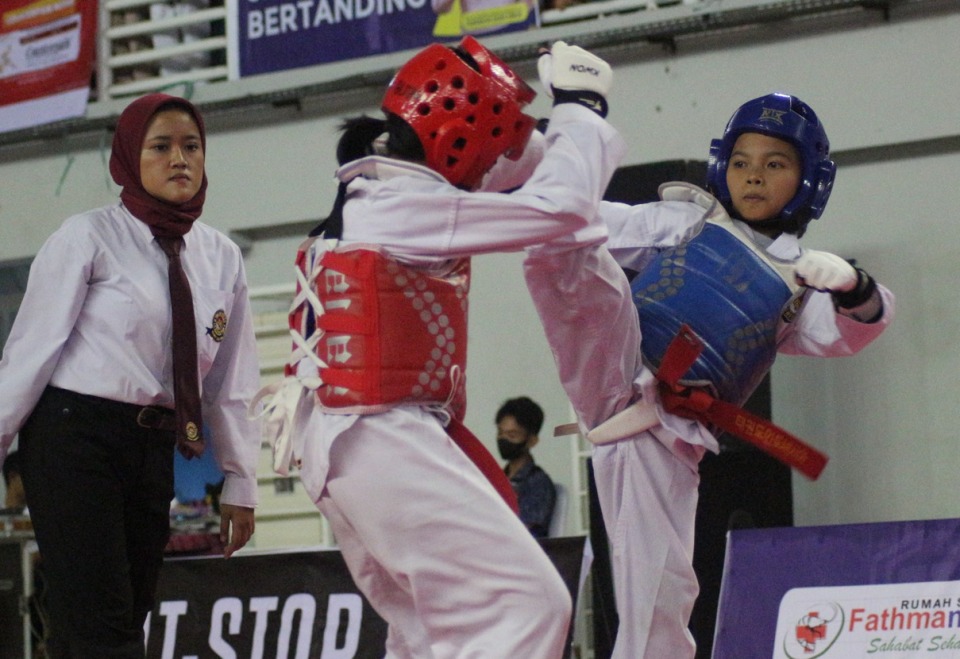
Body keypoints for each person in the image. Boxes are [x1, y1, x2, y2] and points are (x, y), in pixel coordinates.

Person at [255, 36, 624, 657]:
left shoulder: (376, 189)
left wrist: (551, 125)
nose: (487, 171)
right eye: (486, 147)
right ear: (457, 133)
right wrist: (581, 105)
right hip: (380, 438)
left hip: (349, 446)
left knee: (430, 633)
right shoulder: (409, 203)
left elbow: (522, 169)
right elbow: (559, 205)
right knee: (529, 601)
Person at [522, 92, 894, 658]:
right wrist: (550, 152)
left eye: (775, 164)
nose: (753, 177)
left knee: (660, 594)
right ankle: (573, 118)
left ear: (810, 181)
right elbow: (591, 221)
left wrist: (852, 286)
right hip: (618, 362)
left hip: (667, 429)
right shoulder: (686, 220)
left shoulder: (801, 281)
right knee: (567, 245)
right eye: (742, 162)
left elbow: (859, 326)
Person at [0, 92, 262, 658]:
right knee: (106, 626)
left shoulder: (222, 256)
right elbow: (30, 352)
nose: (180, 160)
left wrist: (241, 480)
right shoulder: (88, 236)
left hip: (153, 444)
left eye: (191, 147)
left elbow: (230, 382)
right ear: (128, 157)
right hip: (73, 435)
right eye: (161, 146)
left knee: (111, 619)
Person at [496, 396, 557, 538]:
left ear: (532, 441)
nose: (503, 439)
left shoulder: (538, 483)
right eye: (500, 433)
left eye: (512, 435)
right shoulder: (496, 479)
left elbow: (524, 534)